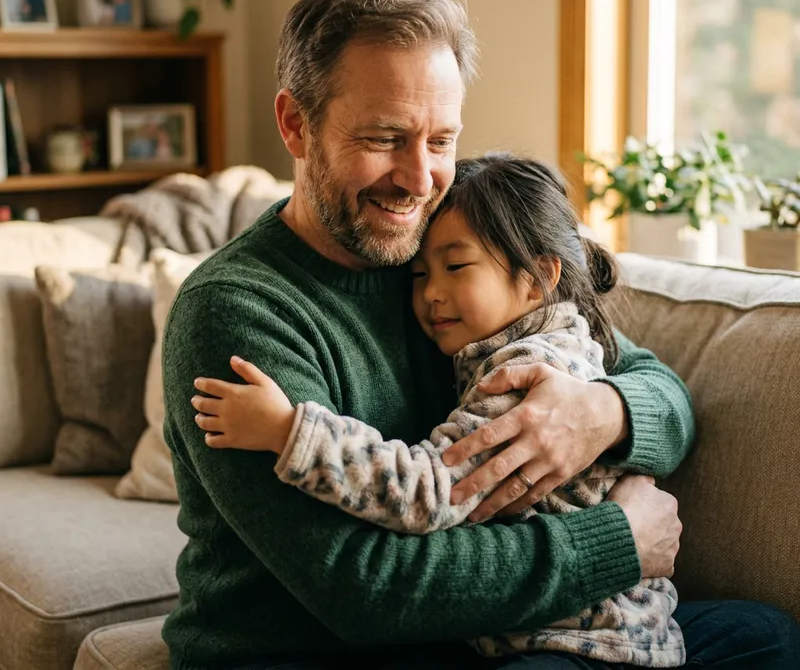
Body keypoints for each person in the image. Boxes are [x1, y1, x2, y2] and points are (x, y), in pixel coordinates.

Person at [162, 0, 800, 669]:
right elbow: (365, 591)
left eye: (440, 141)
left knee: (763, 636)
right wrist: (619, 542)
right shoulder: (235, 310)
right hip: (321, 650)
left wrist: (601, 413)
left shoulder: (448, 254)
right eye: (385, 138)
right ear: (296, 125)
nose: (419, 180)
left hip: (488, 632)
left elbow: (661, 390)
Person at [192, 154, 685, 667]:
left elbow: (430, 489)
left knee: (744, 631)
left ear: (538, 277)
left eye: (456, 268)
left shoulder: (523, 366)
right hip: (567, 625)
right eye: (420, 275)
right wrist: (622, 541)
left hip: (580, 637)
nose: (431, 294)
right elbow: (364, 588)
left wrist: (292, 433)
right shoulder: (244, 305)